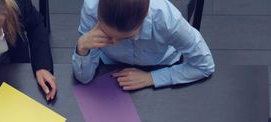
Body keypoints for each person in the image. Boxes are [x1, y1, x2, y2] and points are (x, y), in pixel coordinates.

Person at [73, 0, 215, 90]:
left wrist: (152, 78)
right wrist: (82, 48)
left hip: (162, 64)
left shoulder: (168, 20)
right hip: (109, 66)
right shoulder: (91, 8)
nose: (113, 42)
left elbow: (205, 66)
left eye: (126, 37)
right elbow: (84, 78)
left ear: (145, 16)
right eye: (106, 33)